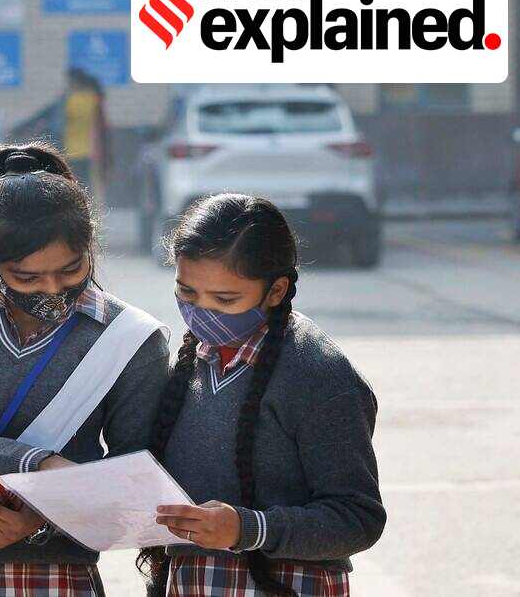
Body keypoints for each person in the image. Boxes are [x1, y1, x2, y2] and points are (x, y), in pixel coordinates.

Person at [0, 143, 170, 596]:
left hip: (50, 576)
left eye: (71, 269)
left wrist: (39, 523)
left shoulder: (131, 339)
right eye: (27, 278)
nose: (53, 289)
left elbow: (129, 479)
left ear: (90, 246)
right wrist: (39, 465)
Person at [140, 194, 385, 597]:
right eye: (187, 294)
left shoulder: (318, 375)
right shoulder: (188, 361)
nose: (202, 312)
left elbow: (357, 518)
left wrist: (246, 529)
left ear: (276, 291)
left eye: (225, 300)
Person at [62, 69, 108, 198]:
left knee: (74, 186)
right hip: (90, 151)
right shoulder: (94, 99)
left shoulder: (71, 101)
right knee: (89, 187)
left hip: (72, 150)